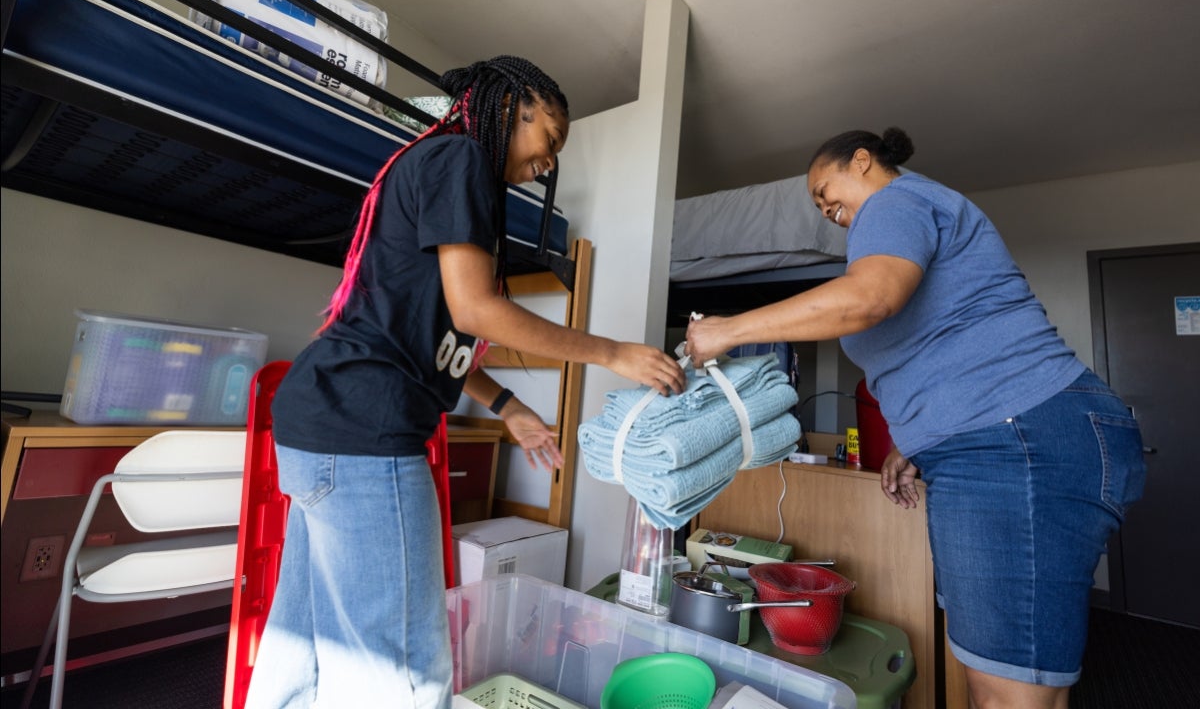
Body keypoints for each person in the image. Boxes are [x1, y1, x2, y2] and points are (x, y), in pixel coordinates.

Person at [244, 55, 686, 709]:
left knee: (305, 643)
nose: (549, 164)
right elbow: (478, 310)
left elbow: (439, 336)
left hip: (316, 427)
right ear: (515, 105)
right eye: (549, 140)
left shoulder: (436, 163)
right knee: (404, 672)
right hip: (367, 433)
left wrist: (505, 405)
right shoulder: (462, 162)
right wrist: (612, 352)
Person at [685, 127, 1145, 709]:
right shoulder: (920, 211)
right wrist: (917, 441)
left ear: (862, 161)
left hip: (1016, 441)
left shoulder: (895, 202)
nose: (827, 211)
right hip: (1013, 436)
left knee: (1007, 693)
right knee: (1010, 678)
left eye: (827, 192)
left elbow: (867, 300)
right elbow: (944, 342)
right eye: (820, 208)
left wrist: (726, 329)